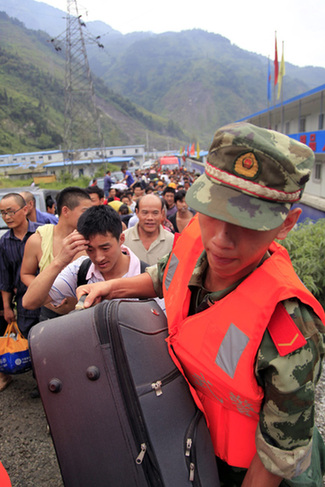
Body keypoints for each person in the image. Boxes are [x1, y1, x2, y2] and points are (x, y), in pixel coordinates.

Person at [76, 122, 325, 487]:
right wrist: (111, 287)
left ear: (286, 224)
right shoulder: (195, 239)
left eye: (248, 223)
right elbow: (166, 274)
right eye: (214, 212)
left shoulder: (289, 327)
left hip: (243, 471)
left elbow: (277, 454)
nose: (222, 240)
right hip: (191, 436)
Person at [23, 205, 146, 312]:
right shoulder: (79, 270)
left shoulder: (146, 276)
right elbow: (29, 302)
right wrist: (59, 261)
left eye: (105, 248)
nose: (99, 258)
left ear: (121, 239)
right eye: (90, 249)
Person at [20, 187, 92, 320]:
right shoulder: (38, 240)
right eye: (85, 212)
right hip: (50, 314)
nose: (89, 217)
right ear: (65, 211)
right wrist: (48, 291)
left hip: (86, 314)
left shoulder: (91, 239)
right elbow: (25, 274)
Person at [0, 193, 41, 391]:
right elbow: (5, 278)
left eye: (10, 211)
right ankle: (40, 383)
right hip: (24, 302)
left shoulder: (41, 233)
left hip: (47, 298)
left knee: (49, 340)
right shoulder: (4, 242)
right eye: (2, 213)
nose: (7, 217)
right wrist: (7, 307)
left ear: (25, 209)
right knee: (31, 343)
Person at [123, 194, 174, 265]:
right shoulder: (123, 239)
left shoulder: (172, 241)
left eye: (155, 213)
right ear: (137, 212)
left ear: (162, 213)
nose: (150, 218)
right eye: (145, 213)